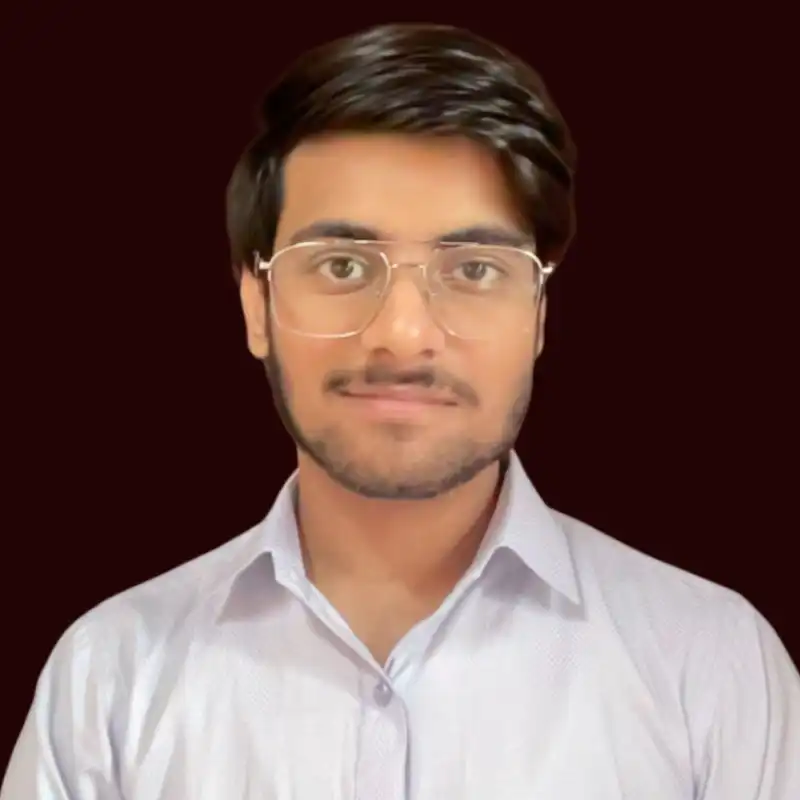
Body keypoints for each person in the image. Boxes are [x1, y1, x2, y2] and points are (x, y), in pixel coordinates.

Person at [3, 22, 798, 800]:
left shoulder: (712, 669)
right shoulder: (109, 679)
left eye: (474, 269)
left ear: (539, 313)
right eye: (343, 265)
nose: (404, 334)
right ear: (256, 304)